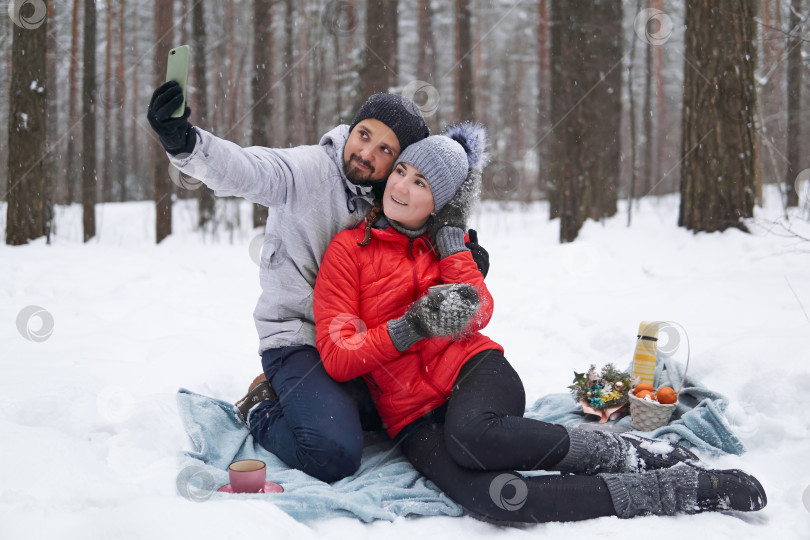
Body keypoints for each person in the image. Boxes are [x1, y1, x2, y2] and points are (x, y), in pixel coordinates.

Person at [313, 123, 767, 522]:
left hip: (476, 373)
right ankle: (672, 490)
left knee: (472, 435)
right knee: (495, 498)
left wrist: (452, 246)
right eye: (401, 173)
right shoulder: (347, 251)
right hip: (411, 416)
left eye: (421, 183)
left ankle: (631, 454)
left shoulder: (445, 245)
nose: (402, 187)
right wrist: (411, 326)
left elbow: (481, 310)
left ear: (440, 203)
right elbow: (336, 356)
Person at [146, 82, 490, 483]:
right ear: (352, 128)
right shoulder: (306, 171)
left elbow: (430, 236)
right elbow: (247, 169)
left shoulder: (394, 194)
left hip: (366, 340)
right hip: (299, 338)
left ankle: (338, 406)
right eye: (364, 135)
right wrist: (186, 143)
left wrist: (468, 255)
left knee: (422, 411)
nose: (366, 154)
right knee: (333, 454)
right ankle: (263, 408)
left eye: (385, 151)